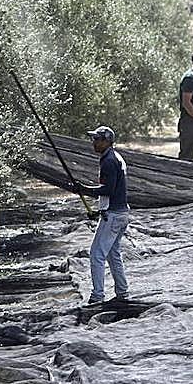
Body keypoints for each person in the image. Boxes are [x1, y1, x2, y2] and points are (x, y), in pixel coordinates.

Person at [76, 126, 131, 305]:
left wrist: (84, 189)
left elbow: (108, 189)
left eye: (97, 139)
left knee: (96, 254)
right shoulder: (114, 157)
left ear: (106, 141)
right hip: (121, 213)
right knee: (113, 253)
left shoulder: (108, 161)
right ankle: (122, 293)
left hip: (114, 215)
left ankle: (97, 296)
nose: (94, 142)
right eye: (94, 139)